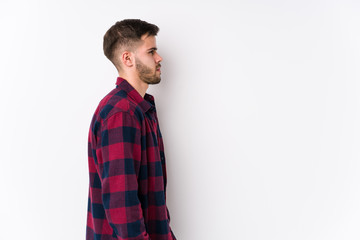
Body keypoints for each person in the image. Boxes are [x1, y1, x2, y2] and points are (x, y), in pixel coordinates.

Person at [86, 19, 176, 240]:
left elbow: (151, 201)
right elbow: (122, 207)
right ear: (128, 58)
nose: (159, 58)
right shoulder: (121, 113)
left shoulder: (139, 109)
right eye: (151, 51)